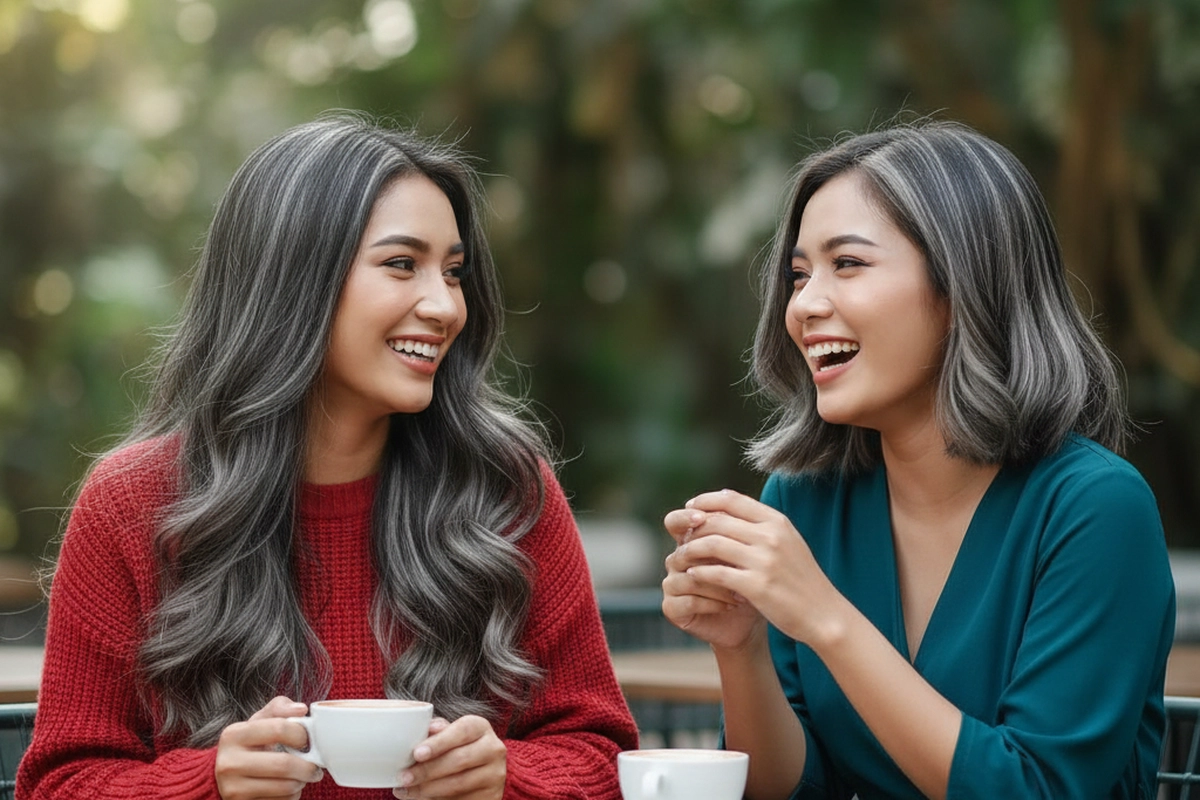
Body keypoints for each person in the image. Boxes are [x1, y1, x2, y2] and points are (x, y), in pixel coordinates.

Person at [17, 113, 638, 800]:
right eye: (401, 264)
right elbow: (61, 783)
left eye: (454, 272)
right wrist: (206, 784)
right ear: (293, 280)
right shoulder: (132, 504)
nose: (445, 306)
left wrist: (507, 778)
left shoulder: (504, 489)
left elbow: (605, 757)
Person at [661, 121, 1175, 800]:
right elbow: (793, 788)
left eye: (848, 264)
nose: (804, 305)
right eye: (799, 275)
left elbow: (1035, 788)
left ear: (964, 288)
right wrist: (741, 648)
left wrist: (826, 616)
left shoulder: (1096, 509)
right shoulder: (805, 498)